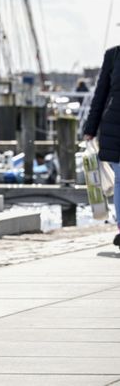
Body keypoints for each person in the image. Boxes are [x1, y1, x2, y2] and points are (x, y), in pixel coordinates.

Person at [83, 46, 120, 246]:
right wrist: (91, 128)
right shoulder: (113, 55)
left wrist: (91, 127)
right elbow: (101, 94)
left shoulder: (113, 55)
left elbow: (101, 95)